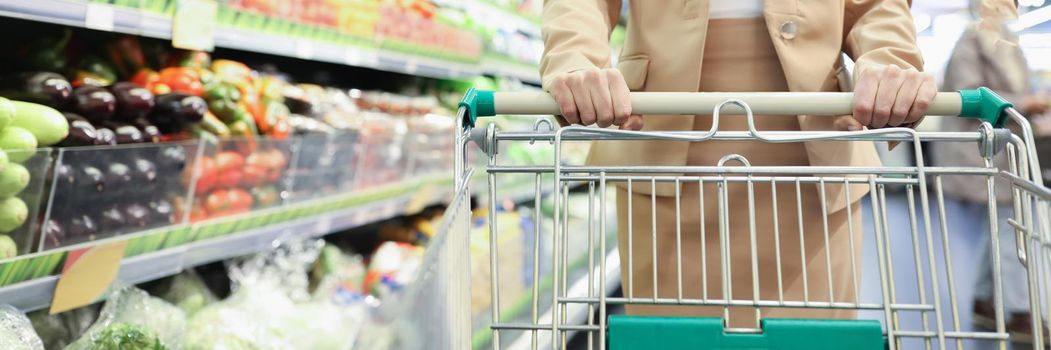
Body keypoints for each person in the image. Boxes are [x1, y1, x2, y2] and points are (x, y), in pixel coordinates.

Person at [539, 0, 936, 328]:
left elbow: (876, 7)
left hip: (813, 148)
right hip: (665, 146)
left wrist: (890, 61)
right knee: (676, 332)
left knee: (809, 332)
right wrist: (575, 61)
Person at [932, 12, 1049, 343]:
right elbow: (970, 95)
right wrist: (1027, 102)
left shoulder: (1009, 41)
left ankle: (986, 299)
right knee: (1015, 225)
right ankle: (1020, 311)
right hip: (981, 149)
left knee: (1002, 224)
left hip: (1004, 148)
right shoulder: (970, 41)